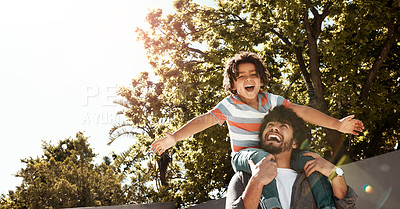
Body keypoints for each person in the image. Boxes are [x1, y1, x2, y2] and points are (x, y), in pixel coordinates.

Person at [151, 52, 364, 209]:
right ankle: (272, 205)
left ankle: (327, 205)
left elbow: (302, 111)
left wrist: (337, 124)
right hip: (244, 156)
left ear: (261, 80)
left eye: (253, 74)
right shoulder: (230, 104)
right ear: (233, 85)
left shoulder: (270, 100)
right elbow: (205, 120)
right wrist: (175, 137)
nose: (248, 79)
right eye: (241, 76)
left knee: (312, 160)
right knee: (265, 159)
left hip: (270, 156)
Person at [225, 106, 357, 209]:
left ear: (295, 143)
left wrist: (335, 172)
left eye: (283, 126)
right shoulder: (244, 178)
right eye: (270, 125)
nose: (275, 128)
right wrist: (257, 181)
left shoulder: (311, 178)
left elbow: (346, 206)